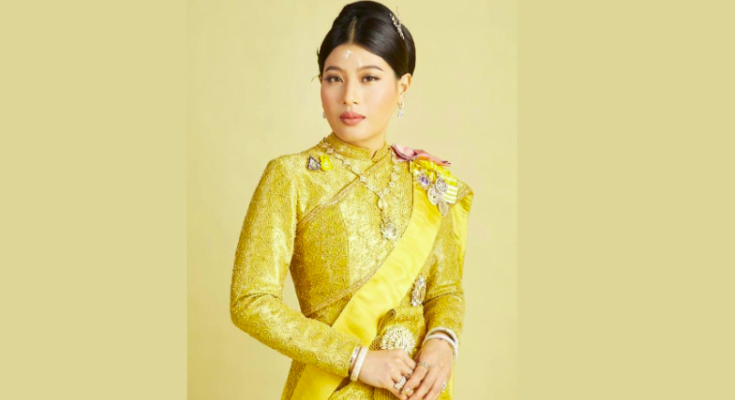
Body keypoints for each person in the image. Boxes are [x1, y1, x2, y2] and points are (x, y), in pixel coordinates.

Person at [229, 2, 474, 399]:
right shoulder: (292, 177)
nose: (349, 97)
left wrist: (443, 342)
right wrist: (357, 359)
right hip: (331, 389)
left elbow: (445, 290)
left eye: (369, 78)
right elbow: (250, 301)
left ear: (403, 87)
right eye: (334, 78)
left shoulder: (428, 181)